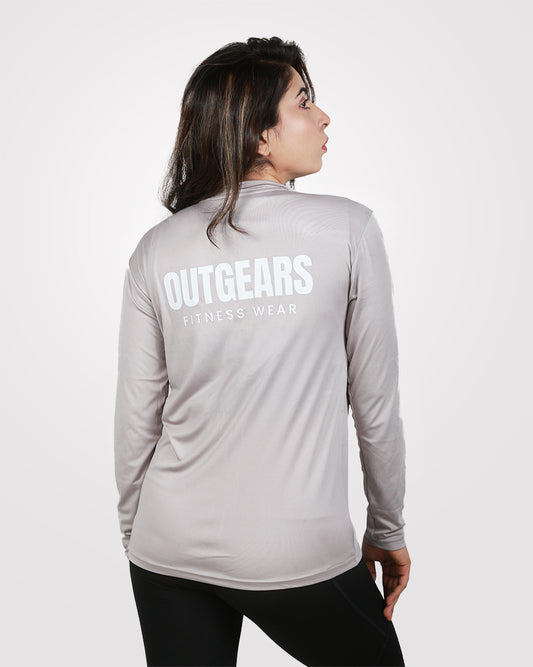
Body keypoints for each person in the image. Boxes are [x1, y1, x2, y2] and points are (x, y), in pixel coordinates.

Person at [114, 35, 411, 667]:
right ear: (258, 135)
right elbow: (375, 406)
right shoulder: (349, 229)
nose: (323, 117)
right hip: (297, 550)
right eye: (304, 102)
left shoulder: (155, 250)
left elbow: (137, 419)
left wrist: (141, 539)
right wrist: (386, 528)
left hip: (166, 546)